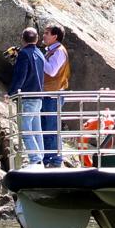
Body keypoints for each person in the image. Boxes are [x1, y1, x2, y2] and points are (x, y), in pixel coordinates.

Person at [6, 28, 46, 169]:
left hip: (28, 97)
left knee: (24, 130)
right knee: (36, 130)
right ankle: (40, 157)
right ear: (37, 38)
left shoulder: (24, 54)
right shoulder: (40, 54)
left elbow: (21, 76)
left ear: (22, 39)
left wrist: (11, 93)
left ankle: (35, 159)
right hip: (38, 96)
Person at [41, 23, 70, 168]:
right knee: (46, 127)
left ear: (55, 36)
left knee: (51, 127)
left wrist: (39, 58)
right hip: (48, 94)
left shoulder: (58, 51)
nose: (44, 35)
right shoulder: (51, 51)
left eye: (47, 33)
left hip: (53, 95)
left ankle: (55, 160)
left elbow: (52, 71)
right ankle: (48, 159)